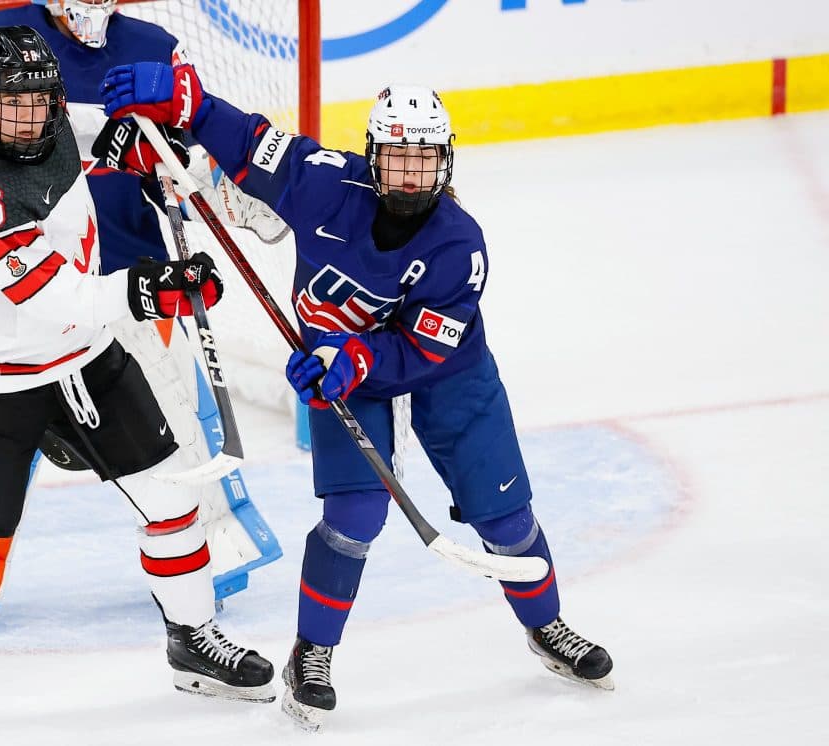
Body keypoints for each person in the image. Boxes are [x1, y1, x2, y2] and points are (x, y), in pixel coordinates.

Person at [102, 63, 615, 731]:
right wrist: (190, 100)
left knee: (506, 519)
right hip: (331, 366)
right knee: (355, 516)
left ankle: (547, 627)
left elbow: (429, 347)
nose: (410, 175)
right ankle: (311, 654)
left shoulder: (460, 245)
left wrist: (359, 356)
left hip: (445, 373)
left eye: (424, 160)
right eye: (397, 159)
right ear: (372, 158)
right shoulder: (321, 181)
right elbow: (249, 139)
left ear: (445, 161)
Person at [0, 28, 275, 740]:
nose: (28, 117)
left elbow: (109, 134)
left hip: (83, 361)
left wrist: (157, 156)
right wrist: (153, 284)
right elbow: (54, 299)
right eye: (11, 105)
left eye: (40, 100)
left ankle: (191, 637)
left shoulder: (58, 121)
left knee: (172, 497)